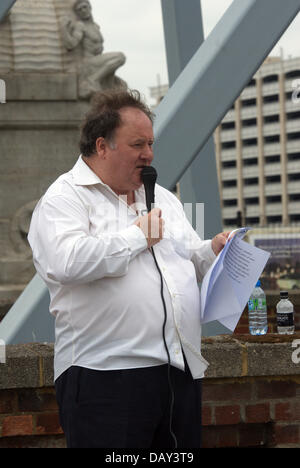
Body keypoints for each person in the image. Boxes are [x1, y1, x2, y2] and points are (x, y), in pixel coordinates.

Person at [28, 89, 229, 448]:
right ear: (102, 146)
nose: (149, 154)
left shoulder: (162, 197)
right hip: (104, 377)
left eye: (150, 143)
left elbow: (185, 262)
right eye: (138, 144)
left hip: (178, 372)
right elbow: (65, 262)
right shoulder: (64, 198)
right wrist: (137, 238)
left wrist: (212, 251)